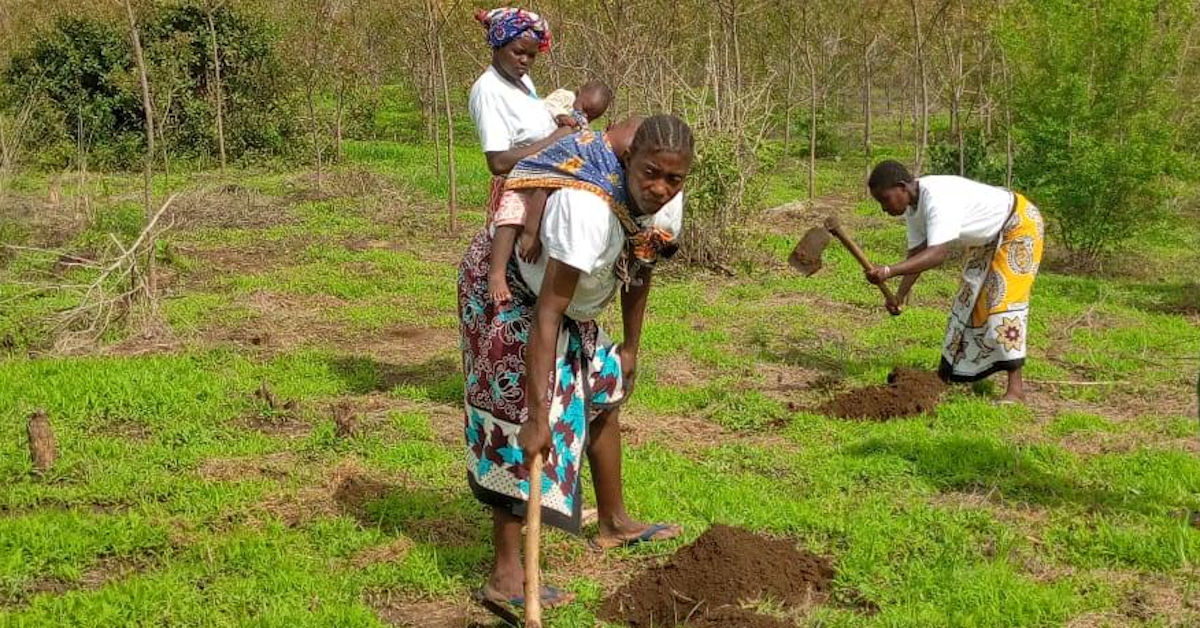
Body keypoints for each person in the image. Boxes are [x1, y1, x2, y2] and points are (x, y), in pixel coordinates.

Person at [458, 115, 693, 616]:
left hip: (571, 303)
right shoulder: (586, 207)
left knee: (605, 388)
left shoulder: (667, 204)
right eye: (651, 173)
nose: (660, 188)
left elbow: (640, 271)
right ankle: (505, 576)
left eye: (674, 179)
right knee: (515, 420)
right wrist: (540, 414)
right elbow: (546, 312)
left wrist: (630, 347)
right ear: (628, 160)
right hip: (515, 295)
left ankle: (614, 522)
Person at [864, 160, 1045, 404]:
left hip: (1019, 226)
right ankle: (951, 376)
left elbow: (938, 254)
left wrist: (888, 271)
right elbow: (918, 252)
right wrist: (899, 295)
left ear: (901, 187)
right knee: (966, 305)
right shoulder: (913, 208)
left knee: (1002, 306)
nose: (884, 208)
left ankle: (1016, 390)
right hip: (988, 240)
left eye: (885, 199)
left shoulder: (937, 198)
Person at [543, 80, 615, 129]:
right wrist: (561, 116)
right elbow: (548, 103)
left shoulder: (579, 125)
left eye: (590, 117)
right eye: (584, 109)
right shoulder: (566, 96)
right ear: (579, 93)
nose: (585, 115)